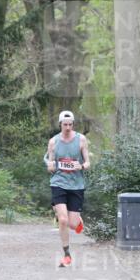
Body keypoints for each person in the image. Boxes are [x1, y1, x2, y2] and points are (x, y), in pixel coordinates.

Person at [46, 110, 90, 267]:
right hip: (58, 183)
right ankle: (66, 254)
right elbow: (50, 165)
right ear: (60, 124)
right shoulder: (53, 142)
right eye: (65, 125)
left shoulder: (81, 140)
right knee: (63, 220)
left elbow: (88, 163)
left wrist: (81, 166)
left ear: (73, 124)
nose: (68, 127)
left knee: (72, 224)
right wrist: (50, 166)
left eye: (70, 124)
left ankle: (77, 221)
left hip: (76, 185)